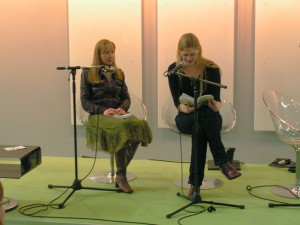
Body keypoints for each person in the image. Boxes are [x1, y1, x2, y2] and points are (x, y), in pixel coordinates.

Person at [167, 33, 241, 201]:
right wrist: (184, 108)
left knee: (200, 128)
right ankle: (222, 162)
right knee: (199, 122)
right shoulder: (174, 70)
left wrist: (216, 105)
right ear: (179, 52)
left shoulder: (211, 68)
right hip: (186, 117)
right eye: (185, 55)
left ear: (199, 50)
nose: (189, 58)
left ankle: (195, 185)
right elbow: (176, 100)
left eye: (193, 54)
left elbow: (217, 99)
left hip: (209, 114)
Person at [80, 39, 152, 193]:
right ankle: (122, 176)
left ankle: (120, 171)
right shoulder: (87, 73)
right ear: (98, 54)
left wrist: (122, 108)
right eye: (106, 52)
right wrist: (102, 110)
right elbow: (85, 101)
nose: (110, 55)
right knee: (122, 128)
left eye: (112, 52)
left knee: (140, 125)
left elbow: (126, 97)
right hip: (99, 115)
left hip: (118, 115)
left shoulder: (119, 73)